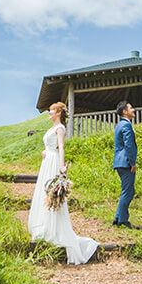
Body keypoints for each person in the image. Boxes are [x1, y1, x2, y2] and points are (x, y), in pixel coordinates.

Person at [26, 101, 98, 264]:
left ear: (58, 113)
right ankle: (44, 227)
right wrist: (45, 151)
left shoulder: (60, 129)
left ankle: (54, 229)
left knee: (52, 193)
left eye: (51, 111)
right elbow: (50, 146)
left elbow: (61, 147)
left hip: (54, 163)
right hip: (47, 161)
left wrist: (61, 167)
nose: (49, 114)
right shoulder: (51, 129)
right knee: (44, 193)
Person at [112, 100, 138, 228]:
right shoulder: (126, 125)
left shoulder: (119, 125)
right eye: (131, 108)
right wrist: (132, 162)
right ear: (124, 112)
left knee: (127, 191)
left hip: (119, 161)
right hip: (126, 162)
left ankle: (118, 217)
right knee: (128, 191)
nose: (133, 110)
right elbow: (129, 145)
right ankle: (123, 220)